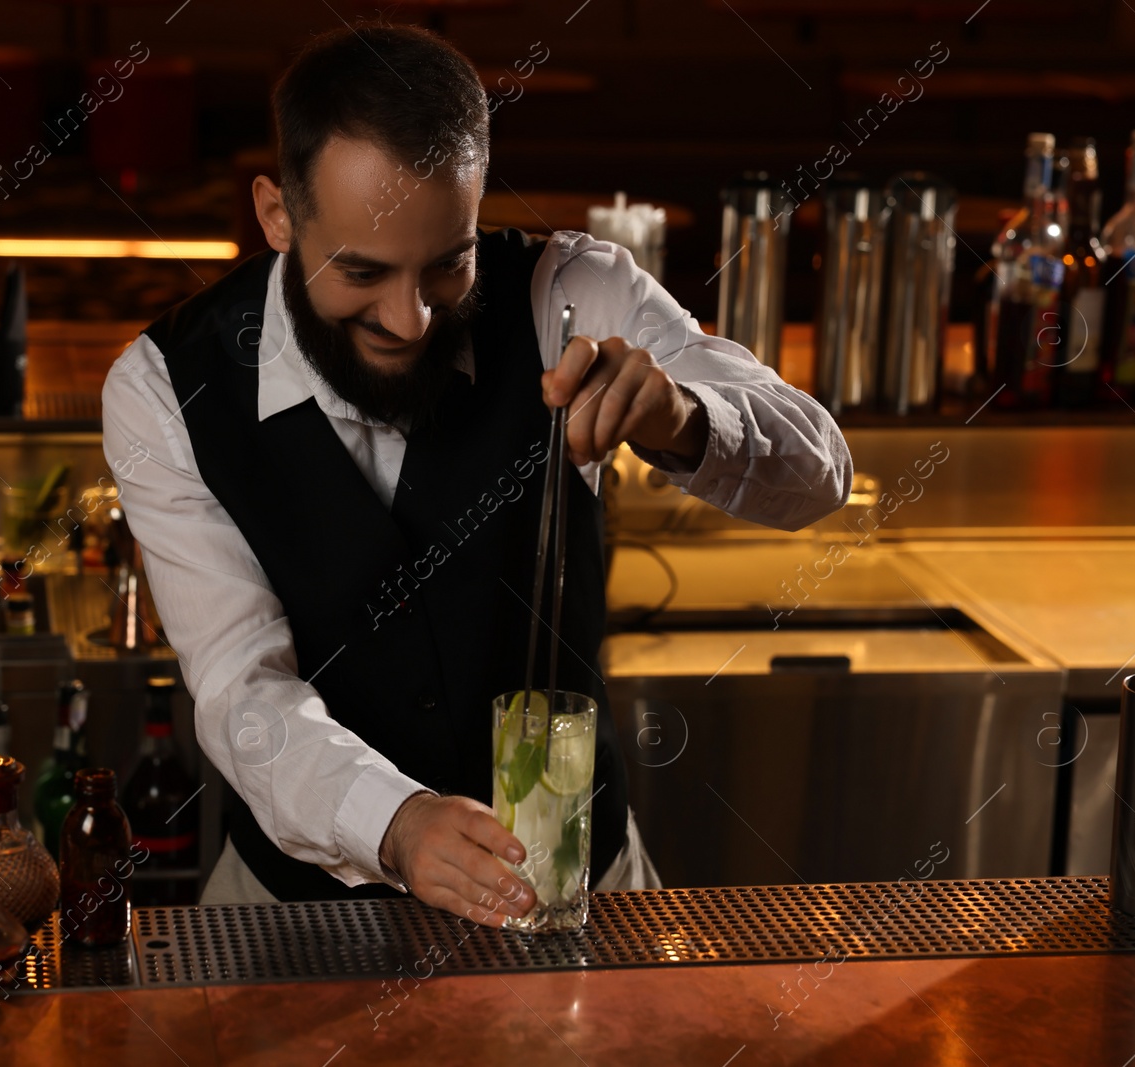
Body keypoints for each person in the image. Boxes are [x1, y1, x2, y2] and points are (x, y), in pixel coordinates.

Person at [101, 25, 852, 928]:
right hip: (298, 917)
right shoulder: (163, 389)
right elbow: (239, 690)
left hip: (576, 887)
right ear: (276, 215)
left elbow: (821, 472)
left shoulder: (568, 293)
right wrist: (397, 822)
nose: (410, 317)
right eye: (364, 272)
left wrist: (682, 418)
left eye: (447, 264)